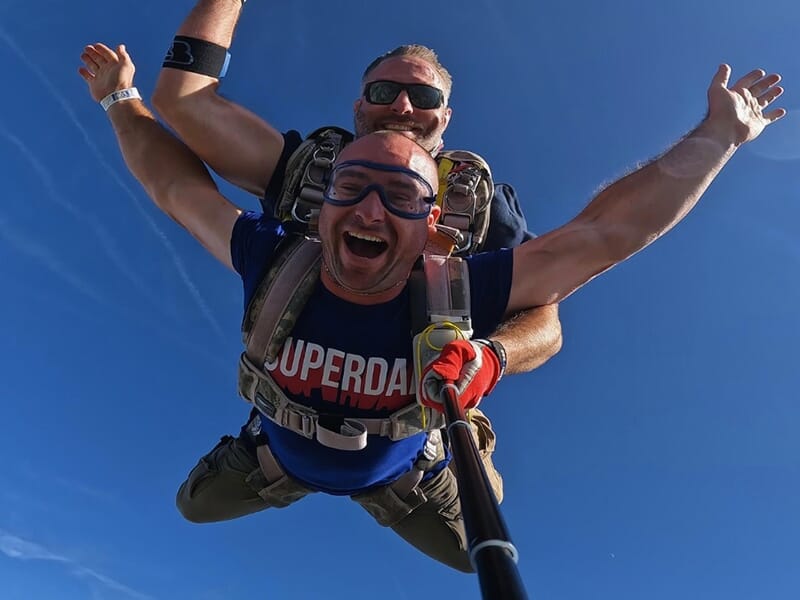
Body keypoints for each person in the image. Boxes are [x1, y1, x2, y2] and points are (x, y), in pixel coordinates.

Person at [79, 43, 784, 572]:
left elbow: (602, 236)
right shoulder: (274, 255)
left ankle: (456, 441)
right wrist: (120, 101)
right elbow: (177, 188)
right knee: (193, 506)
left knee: (477, 555)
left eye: (403, 197)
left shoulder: (464, 285)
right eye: (353, 187)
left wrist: (717, 137)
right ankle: (281, 461)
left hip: (408, 479)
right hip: (283, 456)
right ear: (321, 207)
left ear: (434, 220)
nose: (373, 211)